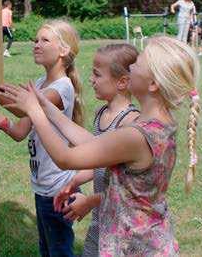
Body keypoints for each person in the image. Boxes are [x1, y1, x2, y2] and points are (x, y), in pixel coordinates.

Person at [2, 35, 200, 256]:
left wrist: (35, 112)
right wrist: (47, 107)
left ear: (153, 83)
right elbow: (96, 144)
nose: (131, 66)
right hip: (149, 241)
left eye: (137, 63)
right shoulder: (159, 126)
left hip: (131, 247)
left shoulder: (136, 135)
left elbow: (65, 158)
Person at [0, 19, 84, 257]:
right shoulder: (42, 83)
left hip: (59, 187)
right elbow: (20, 131)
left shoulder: (62, 87)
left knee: (59, 251)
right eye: (35, 40)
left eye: (44, 40)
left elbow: (25, 109)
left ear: (63, 50)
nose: (36, 45)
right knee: (47, 250)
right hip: (42, 185)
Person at [53, 43, 140, 257]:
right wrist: (73, 182)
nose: (91, 80)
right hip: (100, 222)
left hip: (124, 228)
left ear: (122, 82)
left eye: (97, 75)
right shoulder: (101, 114)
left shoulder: (129, 123)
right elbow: (101, 165)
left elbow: (128, 192)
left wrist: (90, 201)